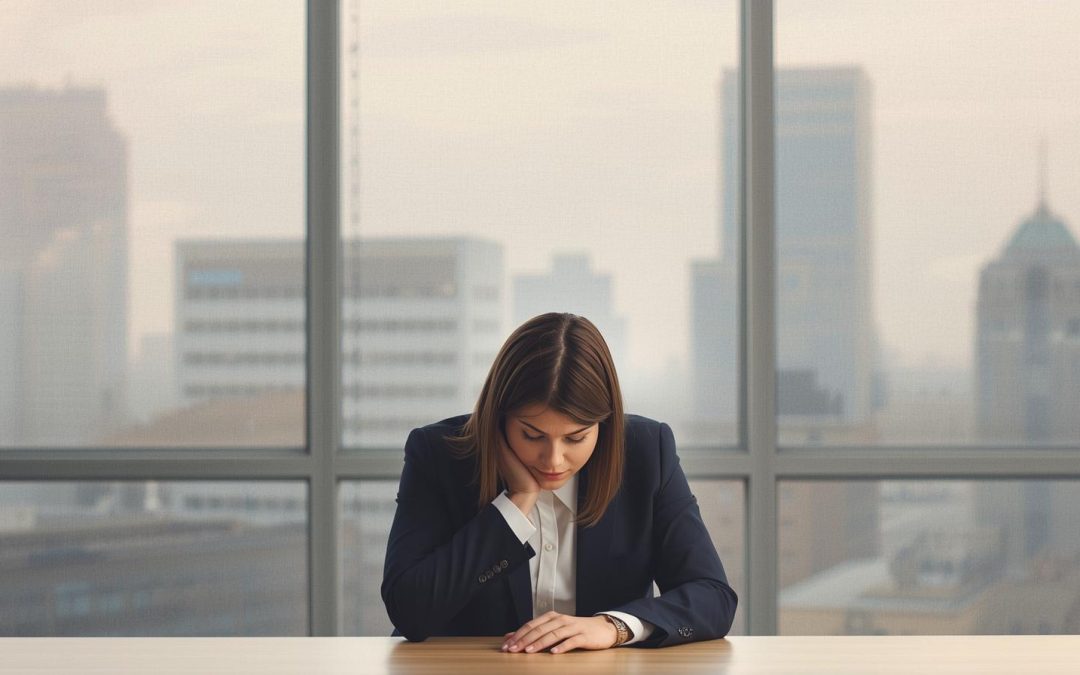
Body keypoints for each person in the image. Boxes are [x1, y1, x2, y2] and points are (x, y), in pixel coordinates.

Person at [381, 312, 737, 653]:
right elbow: (409, 611)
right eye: (532, 435)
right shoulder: (439, 455)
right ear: (499, 417)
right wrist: (515, 503)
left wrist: (613, 627)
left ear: (604, 423)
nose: (553, 460)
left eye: (575, 438)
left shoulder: (646, 454)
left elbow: (712, 597)